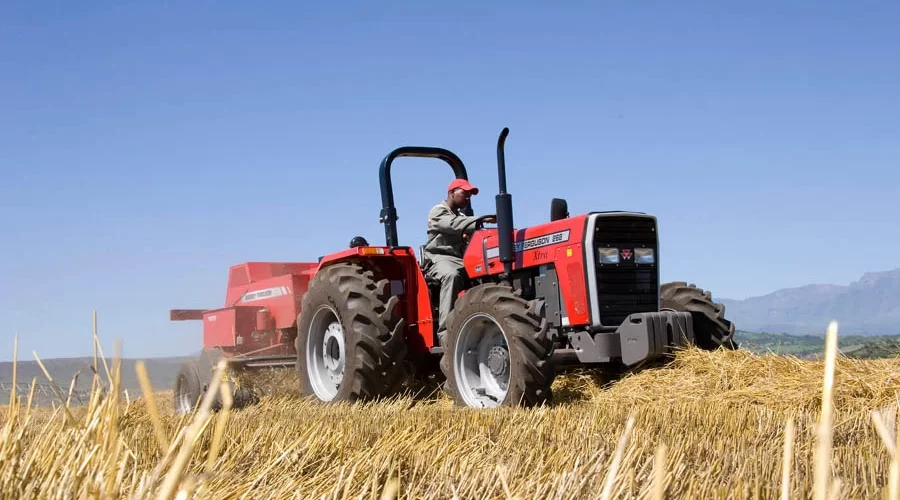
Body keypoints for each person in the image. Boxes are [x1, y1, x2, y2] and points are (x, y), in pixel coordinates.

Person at [422, 178, 496, 341]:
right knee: (452, 275)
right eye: (465, 193)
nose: (468, 197)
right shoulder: (438, 211)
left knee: (486, 273)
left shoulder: (462, 216)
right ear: (451, 193)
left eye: (470, 195)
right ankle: (445, 332)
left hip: (460, 258)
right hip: (439, 258)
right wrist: (481, 219)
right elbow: (454, 224)